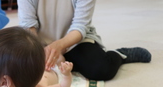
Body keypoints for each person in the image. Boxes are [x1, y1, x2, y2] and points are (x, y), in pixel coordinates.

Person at [17, 0, 152, 81]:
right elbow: (28, 25)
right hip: (39, 43)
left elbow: (80, 26)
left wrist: (59, 47)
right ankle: (71, 63)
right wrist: (42, 51)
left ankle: (119, 55)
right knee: (14, 67)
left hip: (75, 41)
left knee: (101, 70)